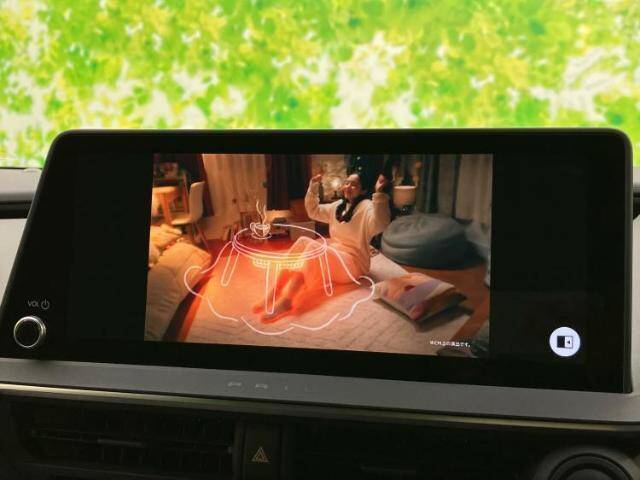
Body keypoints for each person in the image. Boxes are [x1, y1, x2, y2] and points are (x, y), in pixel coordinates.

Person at [253, 170, 391, 322]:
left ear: (363, 190)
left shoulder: (366, 207)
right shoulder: (338, 206)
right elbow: (314, 211)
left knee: (315, 249)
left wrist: (380, 194)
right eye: (346, 183)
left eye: (354, 185)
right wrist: (313, 186)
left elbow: (380, 224)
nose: (348, 187)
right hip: (337, 255)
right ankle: (275, 291)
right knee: (303, 241)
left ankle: (287, 300)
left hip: (353, 263)